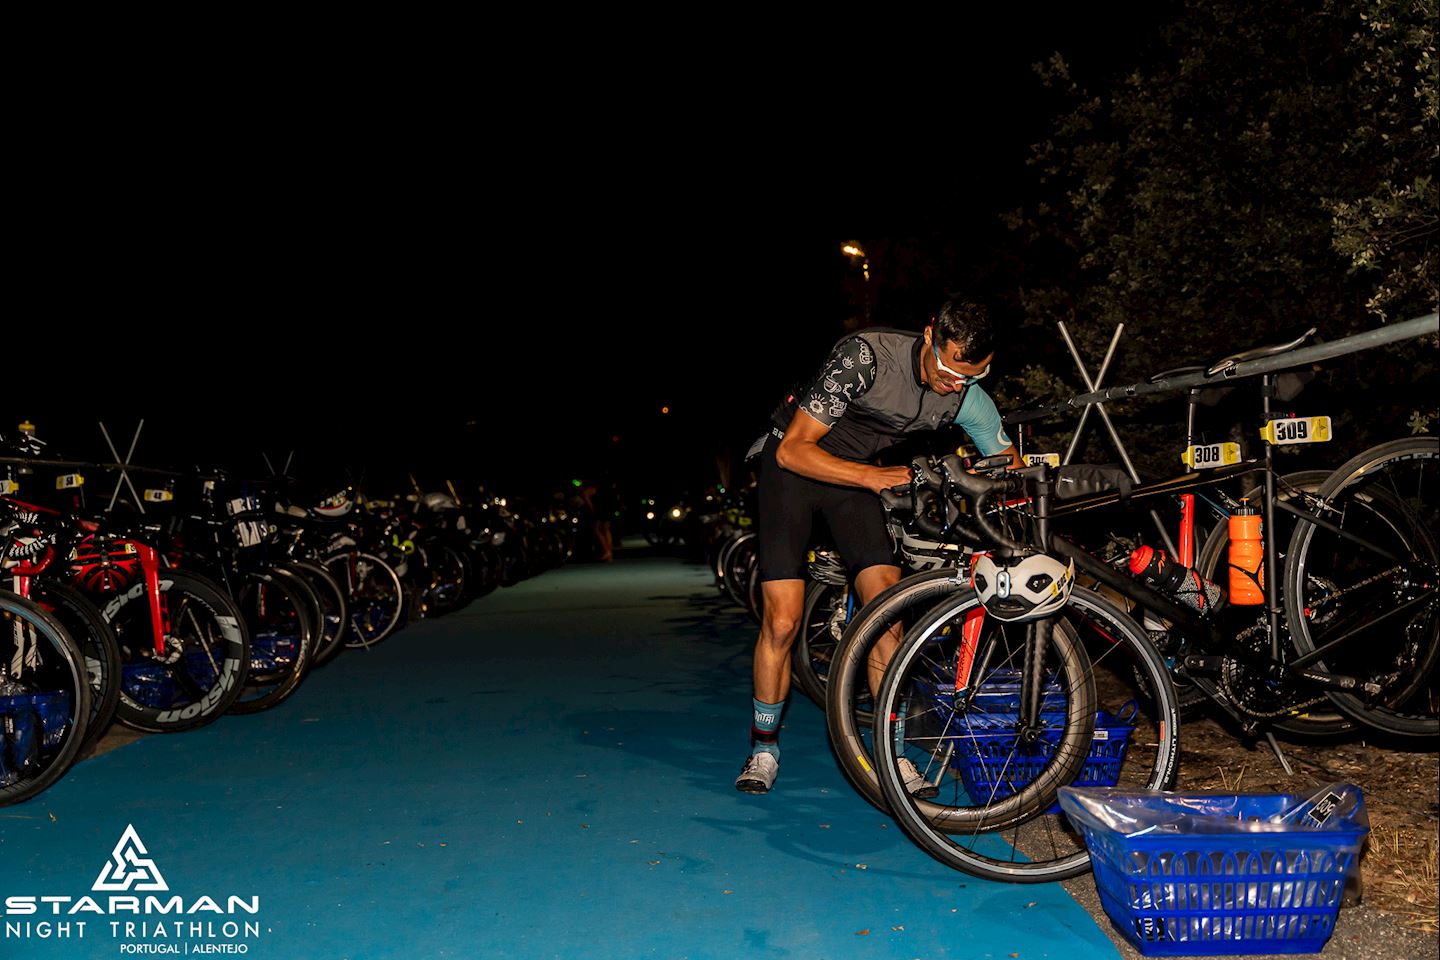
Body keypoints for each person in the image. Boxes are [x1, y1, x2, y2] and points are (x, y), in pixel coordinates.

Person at [735, 296, 1021, 794]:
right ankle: (763, 747)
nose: (955, 385)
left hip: (858, 484)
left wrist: (988, 476)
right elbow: (793, 450)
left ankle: (891, 752)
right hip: (793, 471)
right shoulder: (866, 355)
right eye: (948, 371)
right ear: (929, 334)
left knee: (886, 610)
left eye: (971, 376)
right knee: (782, 620)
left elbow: (1008, 465)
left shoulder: (967, 394)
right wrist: (875, 477)